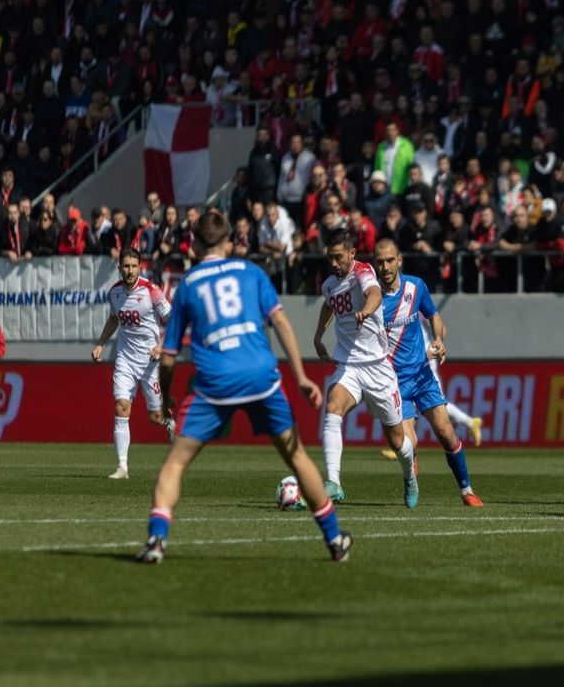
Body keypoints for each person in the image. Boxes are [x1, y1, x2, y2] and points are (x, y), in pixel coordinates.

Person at [135, 212, 350, 564]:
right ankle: (334, 540)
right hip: (261, 378)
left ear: (194, 244)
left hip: (214, 384)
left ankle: (157, 541)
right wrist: (300, 376)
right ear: (231, 241)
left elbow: (169, 357)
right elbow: (280, 321)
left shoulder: (188, 284)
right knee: (296, 457)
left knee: (175, 465)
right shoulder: (252, 273)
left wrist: (165, 397)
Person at [372, 239, 483, 506]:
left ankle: (467, 491)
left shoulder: (415, 286)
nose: (385, 267)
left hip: (421, 376)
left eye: (389, 260)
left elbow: (433, 315)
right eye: (380, 262)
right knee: (408, 443)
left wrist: (439, 340)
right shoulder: (371, 298)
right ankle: (410, 473)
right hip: (393, 383)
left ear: (399, 260)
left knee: (446, 432)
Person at [313, 228, 419, 507]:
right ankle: (333, 482)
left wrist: (367, 310)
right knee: (333, 406)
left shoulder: (363, 272)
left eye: (338, 257)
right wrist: (317, 335)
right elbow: (329, 304)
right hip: (349, 365)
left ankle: (409, 474)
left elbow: (374, 294)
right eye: (330, 258)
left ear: (351, 253)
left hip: (378, 368)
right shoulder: (329, 284)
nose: (334, 263)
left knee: (398, 442)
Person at [91, 248, 176, 480]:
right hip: (125, 359)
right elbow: (113, 319)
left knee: (155, 418)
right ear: (119, 268)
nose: (130, 271)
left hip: (150, 362)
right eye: (126, 266)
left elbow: (173, 320)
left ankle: (166, 417)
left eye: (134, 266)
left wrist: (160, 345)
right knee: (121, 406)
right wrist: (100, 344)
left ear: (140, 267)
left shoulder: (152, 291)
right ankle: (122, 467)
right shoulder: (115, 293)